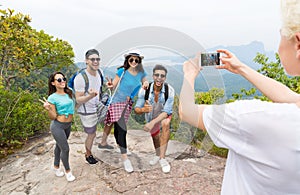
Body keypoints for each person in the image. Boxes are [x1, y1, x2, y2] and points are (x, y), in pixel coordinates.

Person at [179, 0, 300, 194]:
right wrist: (242, 68)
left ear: (298, 42)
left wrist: (189, 75)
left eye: (280, 35)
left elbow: (187, 112)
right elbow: (293, 98)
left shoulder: (251, 117)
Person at [102, 49, 149, 173]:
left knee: (119, 128)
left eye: (136, 60)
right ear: (127, 60)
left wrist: (146, 84)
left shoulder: (141, 73)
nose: (134, 61)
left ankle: (119, 145)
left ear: (139, 61)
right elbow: (114, 85)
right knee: (122, 128)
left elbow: (144, 81)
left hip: (127, 103)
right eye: (131, 59)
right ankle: (125, 158)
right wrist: (110, 85)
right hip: (117, 102)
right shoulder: (122, 71)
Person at [134, 64, 174, 173]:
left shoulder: (169, 90)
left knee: (165, 124)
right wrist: (143, 110)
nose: (159, 78)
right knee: (155, 137)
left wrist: (152, 122)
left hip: (163, 115)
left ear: (165, 78)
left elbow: (166, 112)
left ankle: (162, 158)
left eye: (162, 76)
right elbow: (137, 108)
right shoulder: (144, 90)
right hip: (151, 116)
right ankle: (157, 155)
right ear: (153, 76)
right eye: (157, 75)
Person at [40, 72, 76, 182]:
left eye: (63, 79)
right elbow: (53, 117)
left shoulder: (69, 92)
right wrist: (49, 109)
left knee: (59, 146)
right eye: (59, 80)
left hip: (68, 125)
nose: (62, 81)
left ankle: (56, 166)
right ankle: (68, 171)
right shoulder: (52, 97)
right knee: (65, 148)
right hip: (58, 126)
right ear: (53, 83)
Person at [74, 49, 104, 165]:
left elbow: (99, 89)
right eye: (92, 59)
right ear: (86, 61)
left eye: (97, 59)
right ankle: (88, 154)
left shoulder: (100, 73)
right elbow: (78, 99)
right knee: (91, 134)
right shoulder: (80, 78)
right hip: (86, 110)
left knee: (112, 118)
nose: (95, 61)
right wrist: (90, 96)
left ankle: (103, 143)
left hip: (97, 106)